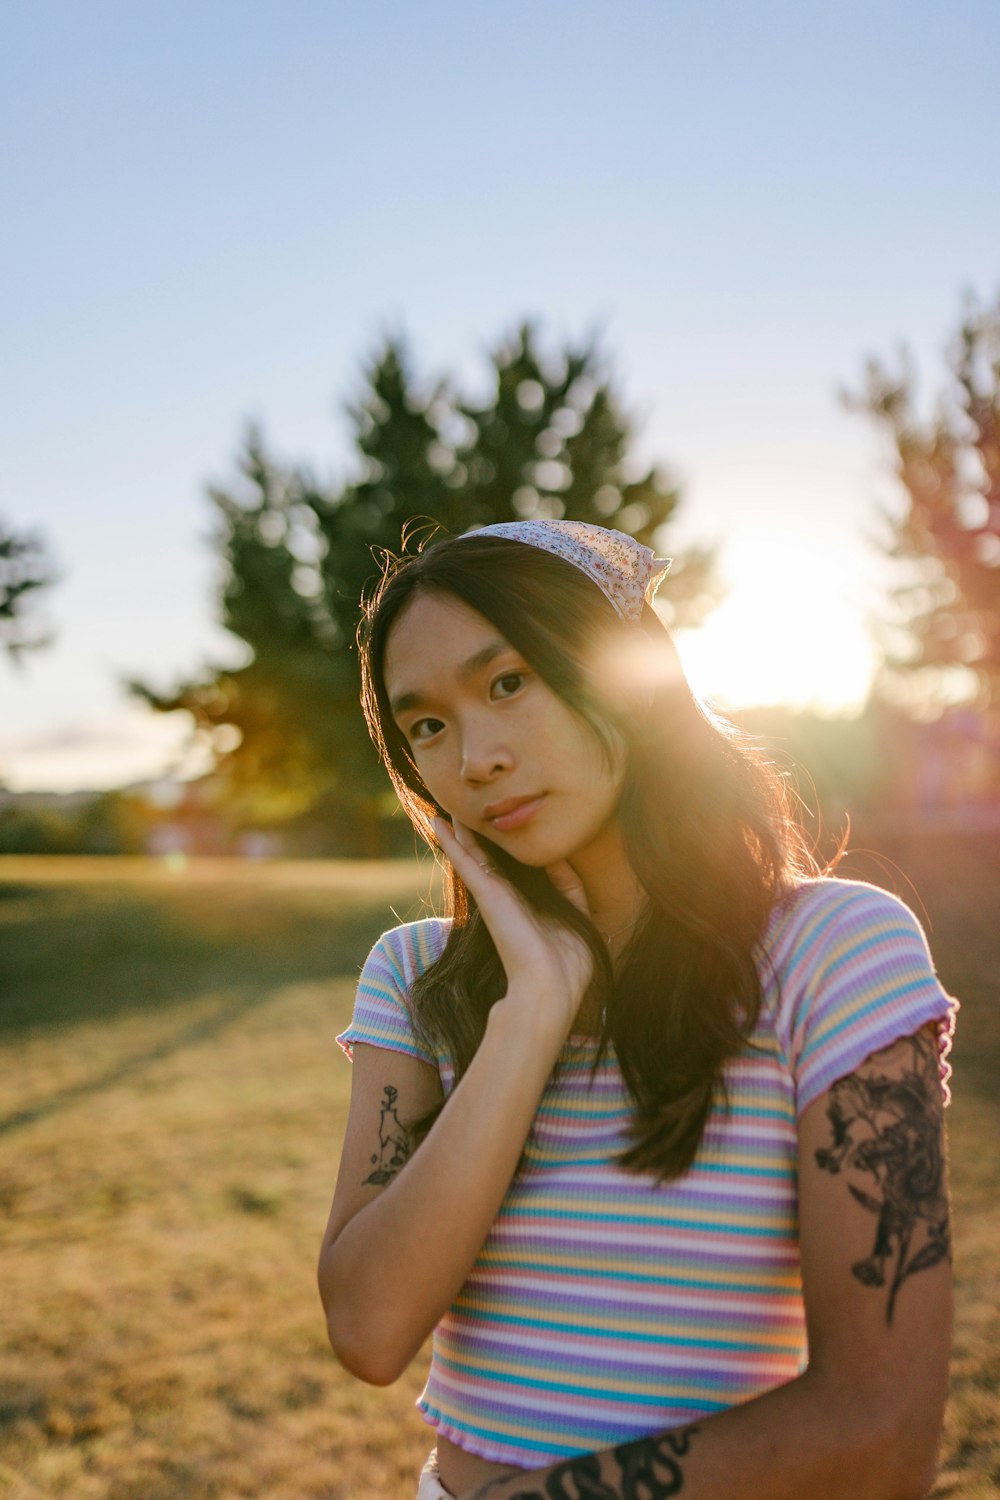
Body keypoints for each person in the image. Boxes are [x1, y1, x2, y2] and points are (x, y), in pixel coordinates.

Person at [317, 519, 956, 1500]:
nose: (474, 757)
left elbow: (882, 1432)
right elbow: (368, 1329)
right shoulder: (413, 978)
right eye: (426, 726)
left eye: (508, 682)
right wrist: (531, 1010)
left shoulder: (833, 951)